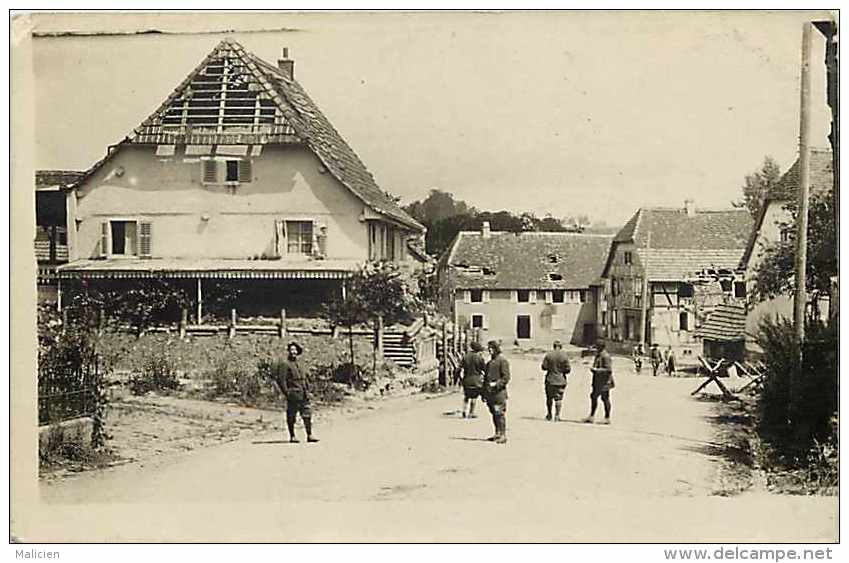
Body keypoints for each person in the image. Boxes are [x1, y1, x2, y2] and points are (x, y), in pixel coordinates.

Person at [271, 341, 319, 443]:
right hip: (293, 393)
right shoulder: (285, 364)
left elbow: (304, 378)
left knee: (307, 414)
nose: (293, 352)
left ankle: (309, 435)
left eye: (295, 350)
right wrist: (287, 393)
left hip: (303, 393)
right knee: (291, 416)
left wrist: (308, 389)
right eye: (291, 350)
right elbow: (281, 380)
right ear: (288, 351)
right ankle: (292, 436)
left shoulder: (300, 364)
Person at [482, 340, 511, 444]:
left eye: (492, 348)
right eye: (489, 348)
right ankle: (497, 432)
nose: (490, 350)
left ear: (496, 349)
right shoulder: (489, 363)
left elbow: (506, 377)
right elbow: (485, 379)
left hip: (499, 394)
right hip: (490, 394)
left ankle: (503, 434)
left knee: (499, 413)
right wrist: (484, 393)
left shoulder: (502, 361)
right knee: (494, 413)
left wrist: (496, 384)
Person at [583, 342, 614, 424]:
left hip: (604, 382)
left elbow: (608, 370)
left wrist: (597, 370)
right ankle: (591, 416)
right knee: (593, 397)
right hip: (598, 381)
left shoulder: (605, 356)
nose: (596, 348)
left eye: (597, 347)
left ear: (601, 347)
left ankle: (607, 418)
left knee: (605, 398)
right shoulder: (599, 355)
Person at [541, 340, 571, 421]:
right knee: (558, 398)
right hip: (560, 380)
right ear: (561, 347)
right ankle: (557, 416)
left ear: (553, 346)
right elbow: (568, 369)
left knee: (549, 398)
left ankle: (549, 414)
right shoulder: (564, 356)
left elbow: (543, 367)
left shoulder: (548, 355)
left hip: (550, 379)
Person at [460, 341, 487, 418]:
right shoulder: (479, 358)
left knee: (466, 396)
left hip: (467, 379)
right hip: (476, 380)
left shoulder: (465, 356)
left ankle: (464, 410)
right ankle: (471, 412)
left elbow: (460, 367)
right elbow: (484, 369)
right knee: (474, 397)